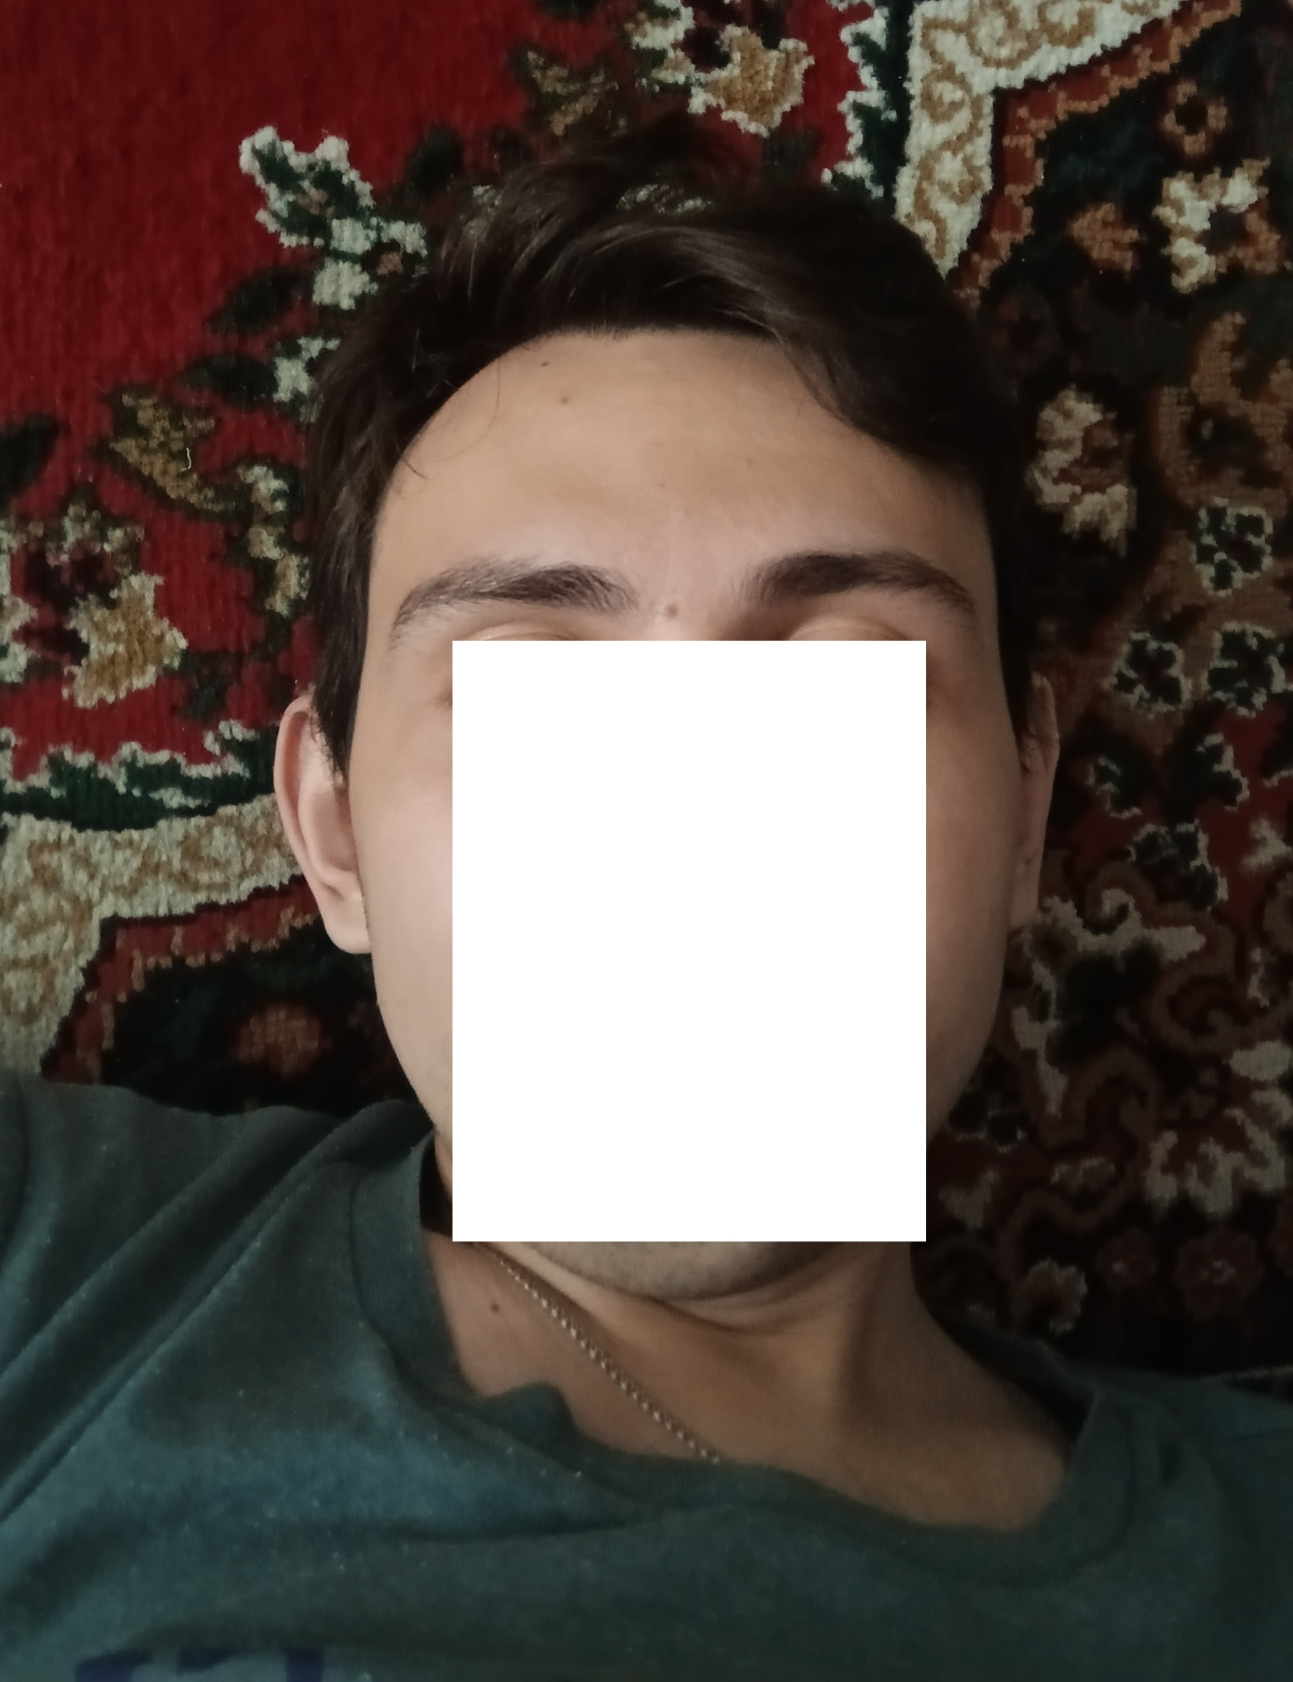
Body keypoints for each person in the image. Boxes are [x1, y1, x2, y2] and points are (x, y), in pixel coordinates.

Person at [1, 114, 1290, 1682]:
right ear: (331, 831)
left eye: (842, 666)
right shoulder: (54, 1259)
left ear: (1023, 813)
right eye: (530, 672)